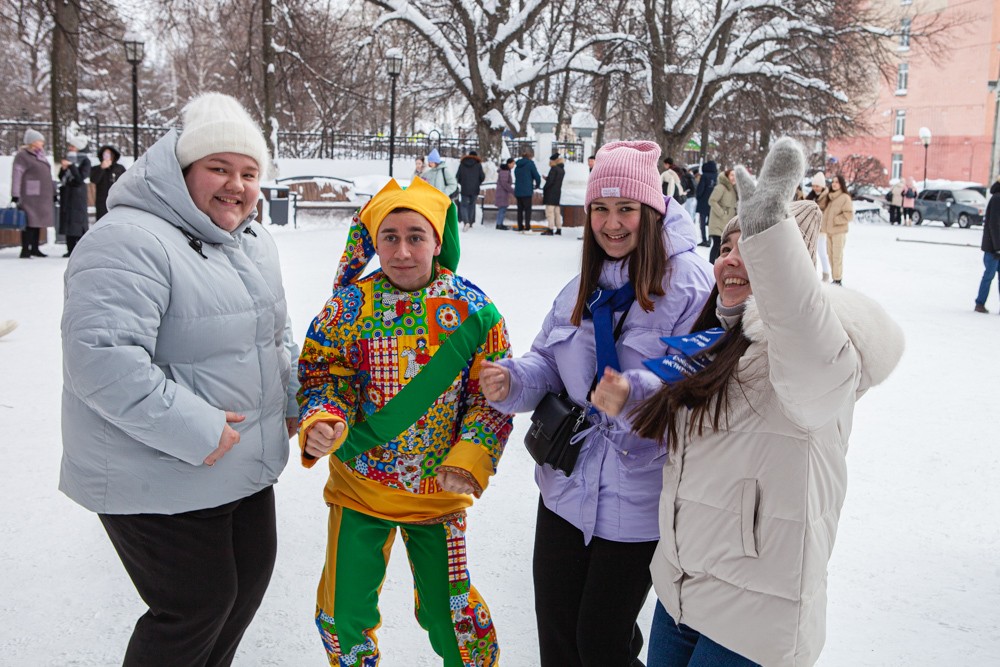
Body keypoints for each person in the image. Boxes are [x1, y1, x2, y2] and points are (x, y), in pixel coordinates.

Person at [632, 138, 904, 667]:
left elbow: (802, 337)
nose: (731, 260)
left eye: (750, 248)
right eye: (727, 249)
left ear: (788, 267)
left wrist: (770, 241)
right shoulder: (714, 340)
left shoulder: (820, 351)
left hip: (755, 616)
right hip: (681, 593)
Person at [60, 93, 299, 667]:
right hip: (156, 465)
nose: (235, 185)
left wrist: (293, 400)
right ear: (181, 169)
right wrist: (199, 429)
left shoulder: (252, 241)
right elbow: (101, 358)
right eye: (218, 168)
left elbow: (277, 335)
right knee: (196, 606)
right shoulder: (129, 239)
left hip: (242, 464)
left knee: (241, 592)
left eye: (248, 172)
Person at [479, 140, 714, 667]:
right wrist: (511, 381)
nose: (612, 224)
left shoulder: (691, 285)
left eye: (626, 208)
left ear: (651, 211)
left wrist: (634, 392)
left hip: (639, 497)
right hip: (565, 489)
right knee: (558, 642)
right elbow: (547, 360)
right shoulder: (580, 286)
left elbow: (697, 379)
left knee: (601, 646)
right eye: (601, 209)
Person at [297, 176, 513, 666]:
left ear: (438, 240)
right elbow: (321, 375)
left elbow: (491, 399)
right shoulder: (346, 308)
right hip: (359, 487)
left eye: (416, 236)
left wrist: (470, 457)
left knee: (451, 615)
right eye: (389, 237)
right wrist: (323, 419)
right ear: (374, 243)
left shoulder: (476, 312)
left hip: (439, 491)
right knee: (342, 613)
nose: (402, 251)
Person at [10, 128, 55, 258]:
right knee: (29, 222)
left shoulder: (41, 155)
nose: (42, 143)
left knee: (38, 222)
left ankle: (35, 248)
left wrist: (53, 192)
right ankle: (25, 249)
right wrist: (15, 194)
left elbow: (48, 174)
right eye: (40, 140)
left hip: (43, 195)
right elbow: (17, 175)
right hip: (30, 195)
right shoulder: (22, 156)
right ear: (33, 142)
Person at [58, 133, 93, 257]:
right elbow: (61, 177)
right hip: (67, 193)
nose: (70, 149)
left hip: (77, 194)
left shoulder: (85, 161)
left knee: (77, 220)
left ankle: (79, 247)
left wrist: (72, 166)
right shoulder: (68, 159)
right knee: (68, 220)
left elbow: (80, 178)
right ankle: (70, 247)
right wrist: (63, 169)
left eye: (73, 146)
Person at [819, 173, 853, 285]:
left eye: (837, 182)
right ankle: (835, 278)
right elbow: (821, 206)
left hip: (839, 232)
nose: (834, 184)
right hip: (829, 232)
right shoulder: (830, 197)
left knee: (837, 256)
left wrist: (835, 220)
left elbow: (849, 215)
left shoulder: (845, 198)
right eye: (833, 182)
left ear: (841, 184)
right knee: (830, 256)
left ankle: (838, 279)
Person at [974, 180, 1000, 313]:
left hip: (996, 246)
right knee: (989, 275)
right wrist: (997, 247)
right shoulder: (997, 199)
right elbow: (994, 224)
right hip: (993, 248)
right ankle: (980, 303)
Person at [708, 167, 738, 263]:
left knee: (722, 247)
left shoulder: (733, 189)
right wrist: (722, 213)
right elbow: (712, 200)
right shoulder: (721, 187)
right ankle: (710, 265)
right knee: (717, 244)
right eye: (732, 175)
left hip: (727, 223)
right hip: (718, 222)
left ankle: (717, 265)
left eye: (735, 175)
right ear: (727, 176)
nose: (734, 177)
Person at [91, 144, 127, 221]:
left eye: (109, 154)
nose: (106, 156)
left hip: (117, 200)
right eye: (105, 154)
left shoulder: (120, 168)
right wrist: (101, 168)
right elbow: (94, 180)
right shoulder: (96, 168)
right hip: (102, 201)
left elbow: (126, 181)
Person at [456, 149, 485, 231]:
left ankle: (466, 222)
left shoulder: (462, 164)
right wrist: (478, 182)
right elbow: (482, 177)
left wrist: (462, 183)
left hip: (465, 188)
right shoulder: (478, 165)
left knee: (464, 205)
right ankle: (471, 222)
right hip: (475, 189)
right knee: (472, 205)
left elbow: (458, 176)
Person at [514, 149, 542, 233]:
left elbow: (516, 175)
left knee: (519, 210)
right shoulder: (530, 164)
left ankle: (520, 226)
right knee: (527, 210)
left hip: (518, 191)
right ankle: (527, 226)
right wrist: (537, 185)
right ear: (530, 157)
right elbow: (537, 176)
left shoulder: (517, 165)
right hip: (527, 191)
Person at [542, 152, 565, 235]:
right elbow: (555, 180)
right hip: (557, 193)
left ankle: (550, 229)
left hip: (550, 193)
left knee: (549, 212)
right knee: (557, 212)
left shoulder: (554, 169)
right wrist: (548, 178)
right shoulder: (562, 169)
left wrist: (544, 188)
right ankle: (559, 228)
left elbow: (551, 181)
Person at [695, 160, 717, 248]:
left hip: (703, 202)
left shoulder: (704, 176)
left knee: (702, 222)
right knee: (711, 222)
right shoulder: (717, 176)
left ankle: (704, 240)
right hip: (713, 203)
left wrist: (698, 196)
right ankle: (710, 239)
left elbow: (700, 189)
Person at [495, 157, 515, 229]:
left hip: (503, 192)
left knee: (502, 209)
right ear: (509, 163)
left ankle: (500, 223)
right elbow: (504, 183)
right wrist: (512, 191)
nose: (513, 165)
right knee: (502, 209)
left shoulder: (506, 170)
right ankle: (499, 224)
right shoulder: (505, 171)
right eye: (513, 164)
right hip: (502, 193)